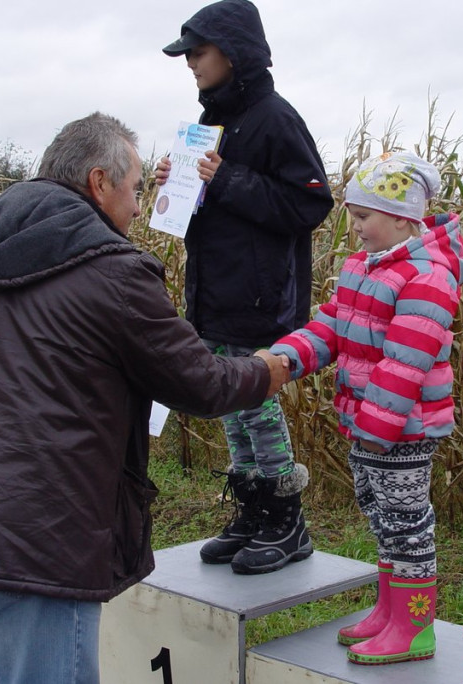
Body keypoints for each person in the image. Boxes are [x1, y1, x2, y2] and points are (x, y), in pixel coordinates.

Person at [0, 111, 290, 684]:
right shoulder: (113, 271)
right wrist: (268, 369)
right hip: (46, 538)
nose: (137, 207)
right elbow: (201, 383)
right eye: (135, 189)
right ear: (99, 182)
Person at [155, 0, 334, 575]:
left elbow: (311, 202)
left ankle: (287, 520)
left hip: (261, 294)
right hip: (215, 290)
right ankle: (255, 511)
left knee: (255, 403)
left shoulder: (274, 118)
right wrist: (179, 184)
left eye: (198, 52)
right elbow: (215, 206)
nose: (190, 63)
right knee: (231, 405)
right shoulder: (214, 123)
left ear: (232, 54)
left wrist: (226, 177)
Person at [270, 151, 463, 665]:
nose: (355, 227)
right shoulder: (363, 267)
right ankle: (389, 611)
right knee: (382, 518)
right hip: (368, 426)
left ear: (403, 217)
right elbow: (331, 326)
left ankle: (415, 627)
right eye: (353, 215)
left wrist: (376, 429)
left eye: (363, 216)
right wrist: (287, 357)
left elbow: (405, 363)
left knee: (406, 524)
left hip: (401, 430)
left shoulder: (427, 276)